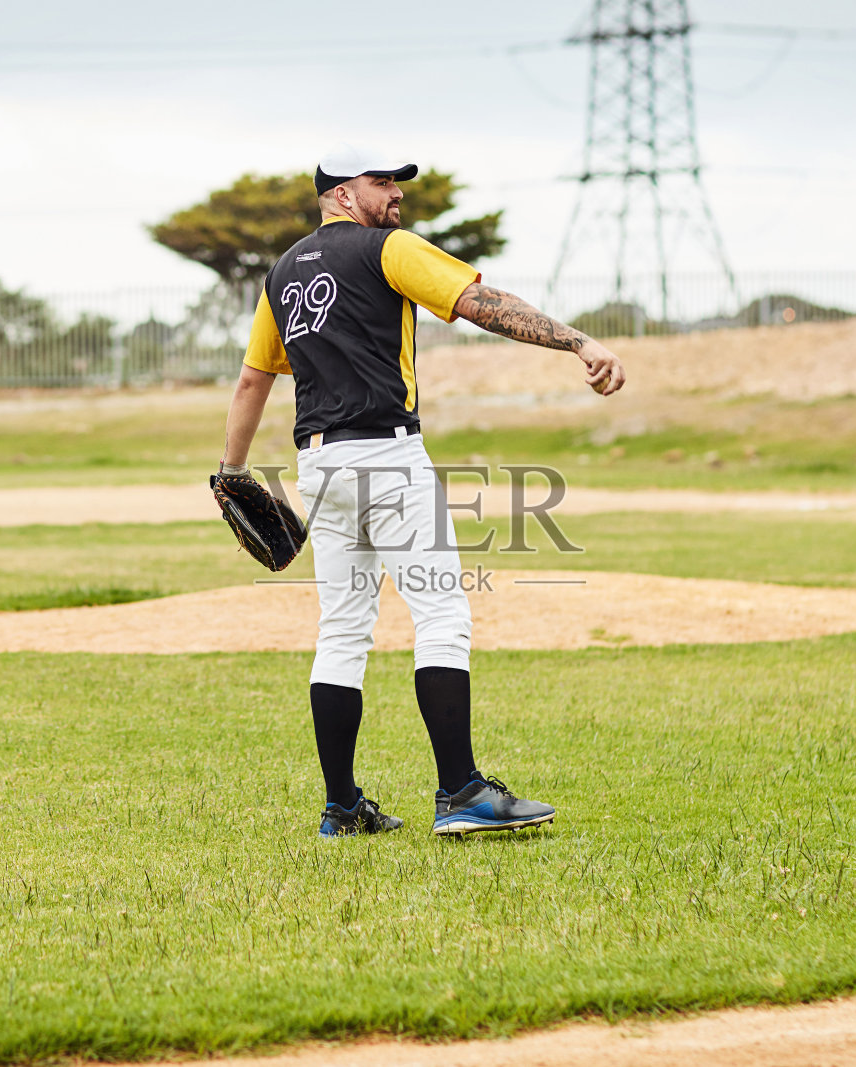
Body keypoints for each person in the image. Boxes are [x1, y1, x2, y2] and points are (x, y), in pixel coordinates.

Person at [218, 144, 625, 838]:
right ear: (343, 194)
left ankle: (342, 807)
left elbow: (256, 377)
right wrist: (577, 341)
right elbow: (480, 303)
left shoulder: (283, 273)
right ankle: (461, 791)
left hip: (319, 466)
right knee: (441, 613)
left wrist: (229, 471)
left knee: (343, 628)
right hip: (387, 454)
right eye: (382, 182)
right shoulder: (388, 249)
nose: (397, 194)